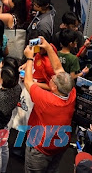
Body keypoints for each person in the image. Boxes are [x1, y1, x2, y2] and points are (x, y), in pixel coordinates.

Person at [22, 36, 76, 172]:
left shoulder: (46, 99)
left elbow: (28, 82)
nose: (52, 76)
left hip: (40, 147)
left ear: (54, 87)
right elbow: (58, 68)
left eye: (53, 79)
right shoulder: (71, 92)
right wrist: (47, 46)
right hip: (60, 143)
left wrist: (29, 58)